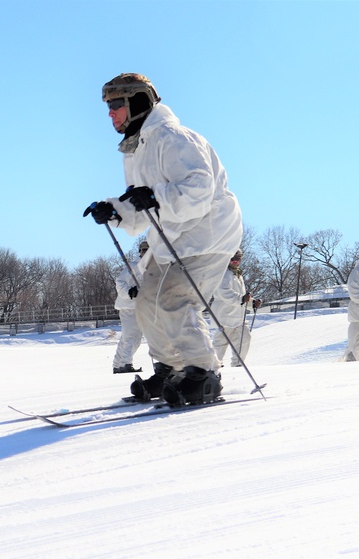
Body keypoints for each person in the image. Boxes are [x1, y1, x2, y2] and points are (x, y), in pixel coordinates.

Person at [85, 72, 242, 406]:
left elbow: (200, 189)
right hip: (171, 236)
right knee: (146, 303)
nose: (110, 113)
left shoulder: (174, 137)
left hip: (208, 233)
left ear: (137, 102)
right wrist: (114, 211)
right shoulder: (134, 150)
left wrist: (155, 197)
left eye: (116, 105)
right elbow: (141, 203)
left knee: (175, 299)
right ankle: (172, 368)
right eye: (108, 107)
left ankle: (203, 375)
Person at [210, 249, 262, 367]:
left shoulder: (237, 274)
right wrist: (241, 299)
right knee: (221, 343)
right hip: (225, 315)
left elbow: (242, 295)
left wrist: (252, 303)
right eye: (232, 259)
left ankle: (237, 365)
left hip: (238, 315)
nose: (234, 261)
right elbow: (224, 292)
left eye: (237, 259)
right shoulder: (222, 273)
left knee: (244, 339)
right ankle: (213, 367)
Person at [112, 240, 149, 374]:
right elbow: (119, 281)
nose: (145, 253)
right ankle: (125, 364)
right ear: (139, 252)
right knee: (132, 337)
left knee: (129, 337)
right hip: (129, 306)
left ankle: (118, 364)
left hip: (140, 306)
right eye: (143, 250)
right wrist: (129, 292)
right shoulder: (133, 266)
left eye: (148, 250)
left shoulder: (152, 268)